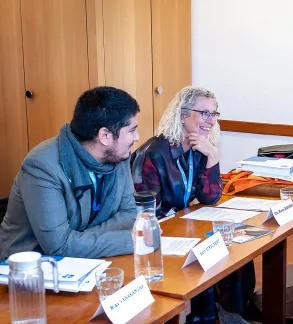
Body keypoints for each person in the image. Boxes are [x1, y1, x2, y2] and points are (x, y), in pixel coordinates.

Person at [132, 86, 255, 324]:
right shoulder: (154, 153)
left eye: (214, 114)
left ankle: (231, 312)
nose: (211, 120)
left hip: (183, 223)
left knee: (237, 244)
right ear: (182, 115)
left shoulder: (199, 148)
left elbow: (210, 197)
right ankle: (204, 316)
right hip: (156, 234)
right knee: (204, 254)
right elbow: (146, 214)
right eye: (204, 113)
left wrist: (213, 157)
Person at [0, 86, 140, 261]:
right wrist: (131, 240)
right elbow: (59, 246)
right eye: (132, 130)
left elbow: (129, 213)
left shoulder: (118, 156)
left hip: (88, 260)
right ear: (104, 136)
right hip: (31, 272)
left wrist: (78, 239)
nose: (137, 138)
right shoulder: (42, 165)